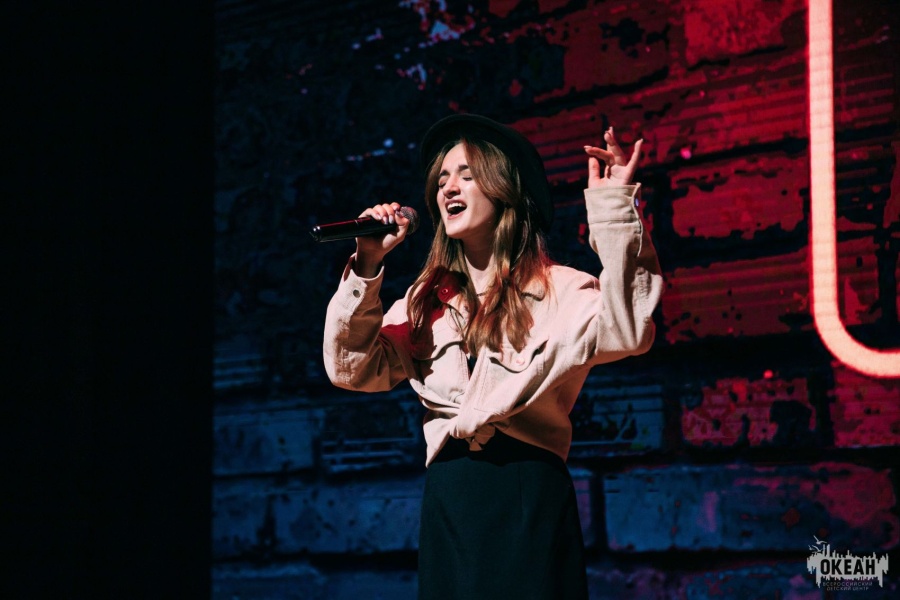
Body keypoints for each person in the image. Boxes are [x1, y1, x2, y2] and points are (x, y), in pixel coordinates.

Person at [323, 114, 663, 599]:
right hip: (449, 502)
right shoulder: (425, 300)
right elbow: (351, 369)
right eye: (442, 178)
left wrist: (613, 211)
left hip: (525, 496)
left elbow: (629, 329)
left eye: (466, 174)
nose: (448, 187)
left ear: (504, 188)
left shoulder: (561, 290)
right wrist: (367, 262)